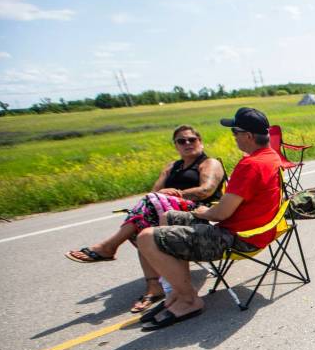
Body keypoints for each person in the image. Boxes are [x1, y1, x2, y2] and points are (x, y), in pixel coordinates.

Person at [135, 107, 282, 330]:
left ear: (248, 136)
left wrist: (200, 212)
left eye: (235, 132)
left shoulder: (250, 165)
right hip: (261, 230)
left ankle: (189, 300)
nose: (234, 137)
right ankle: (178, 292)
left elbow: (221, 213)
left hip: (237, 238)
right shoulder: (271, 157)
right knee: (168, 216)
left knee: (146, 237)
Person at [65, 125, 226, 313]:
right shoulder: (171, 167)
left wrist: (176, 195)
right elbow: (154, 193)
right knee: (144, 224)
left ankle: (109, 247)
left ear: (201, 142)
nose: (187, 143)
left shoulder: (208, 163)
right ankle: (153, 286)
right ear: (175, 146)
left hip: (197, 215)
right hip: (166, 214)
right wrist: (163, 196)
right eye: (181, 141)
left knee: (147, 212)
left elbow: (206, 190)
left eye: (192, 139)